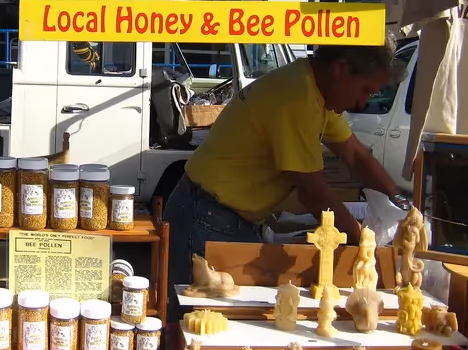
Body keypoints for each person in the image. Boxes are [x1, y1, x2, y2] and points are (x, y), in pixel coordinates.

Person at [164, 39, 406, 288]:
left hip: (226, 216)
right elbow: (313, 193)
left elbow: (355, 155)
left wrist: (399, 200)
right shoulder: (297, 95)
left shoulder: (318, 91)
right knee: (199, 308)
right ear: (341, 69)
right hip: (206, 216)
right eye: (365, 90)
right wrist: (365, 243)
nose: (362, 102)